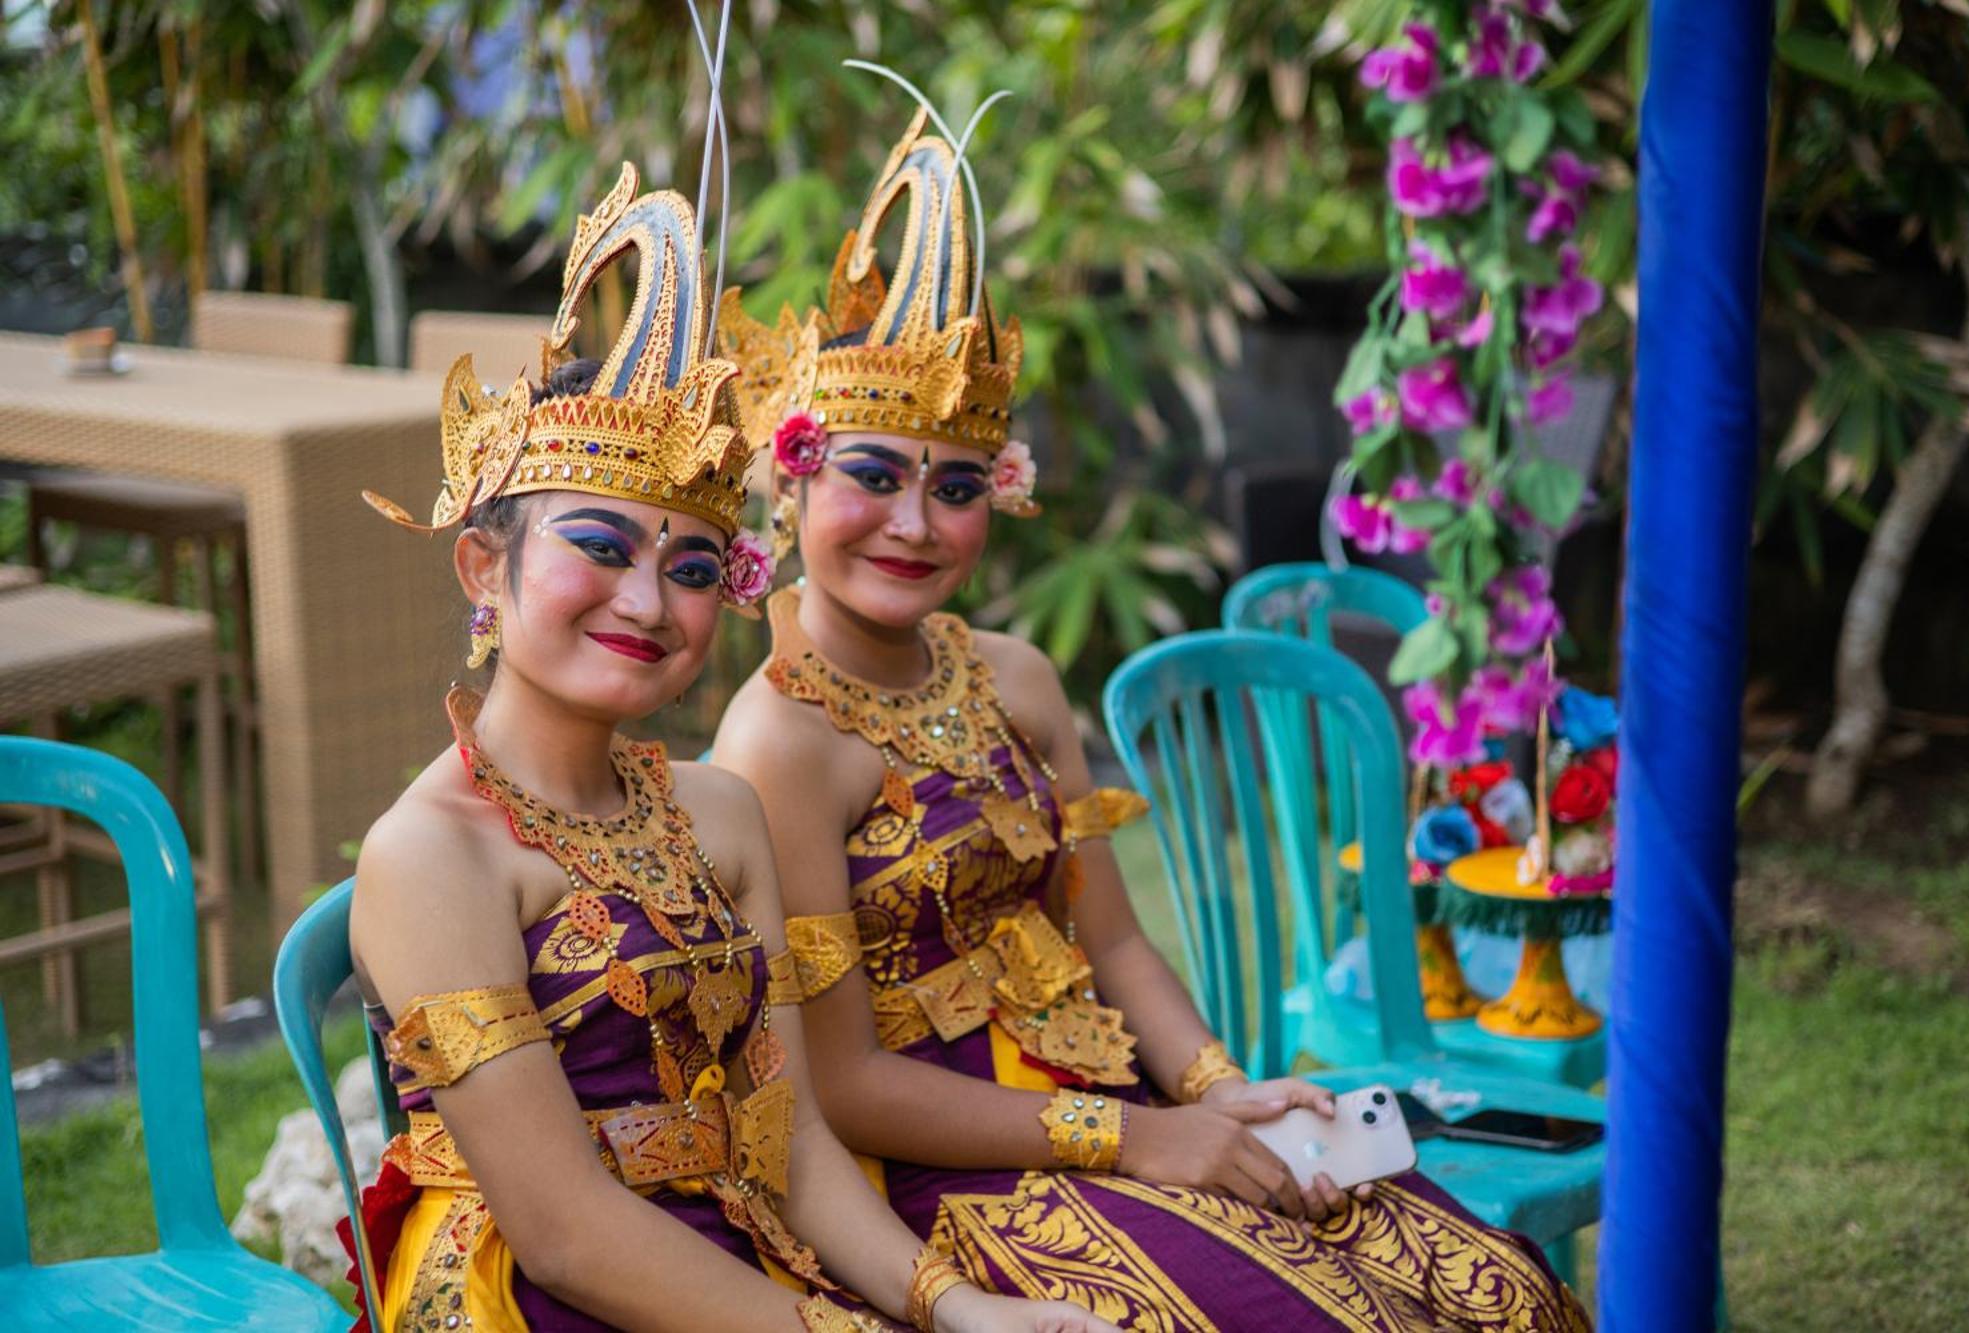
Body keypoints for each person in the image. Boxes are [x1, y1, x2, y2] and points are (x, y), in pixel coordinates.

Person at [712, 75, 1593, 1331]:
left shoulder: (1009, 673)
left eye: (956, 485)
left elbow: (1112, 942)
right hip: (958, 1178)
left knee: (1499, 1287)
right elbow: (844, 1082)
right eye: (870, 475)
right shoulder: (777, 739)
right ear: (787, 478)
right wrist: (1132, 1137)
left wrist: (1222, 1089)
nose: (913, 522)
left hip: (1128, 1110)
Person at [345, 150, 1113, 1333]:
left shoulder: (716, 810)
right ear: (482, 565)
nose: (649, 605)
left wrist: (955, 1307)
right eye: (599, 546)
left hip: (746, 1245)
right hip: (536, 1291)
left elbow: (795, 1136)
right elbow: (561, 1229)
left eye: (692, 567)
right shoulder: (428, 855)